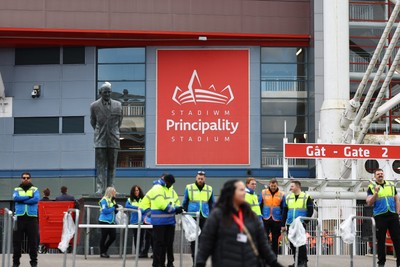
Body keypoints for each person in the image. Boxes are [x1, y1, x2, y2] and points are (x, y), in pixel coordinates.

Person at [195, 179, 282, 267]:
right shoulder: (217, 215)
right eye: (241, 190)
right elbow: (206, 244)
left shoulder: (251, 216)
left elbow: (263, 244)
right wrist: (200, 263)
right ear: (231, 192)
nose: (244, 192)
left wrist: (274, 263)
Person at [140, 174, 183, 267]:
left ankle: (165, 263)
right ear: (165, 181)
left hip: (170, 221)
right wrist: (175, 209)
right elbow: (161, 204)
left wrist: (178, 207)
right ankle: (157, 264)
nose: (171, 185)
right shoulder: (157, 188)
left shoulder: (170, 189)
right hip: (159, 222)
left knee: (167, 244)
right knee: (159, 244)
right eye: (170, 183)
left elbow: (175, 202)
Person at [90, 82, 123, 194]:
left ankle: (111, 188)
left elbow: (119, 122)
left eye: (109, 92)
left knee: (112, 165)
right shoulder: (94, 106)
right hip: (100, 139)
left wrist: (113, 131)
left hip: (113, 138)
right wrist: (101, 131)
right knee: (100, 165)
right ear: (100, 93)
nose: (107, 94)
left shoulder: (118, 105)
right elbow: (93, 122)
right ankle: (100, 188)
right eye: (105, 92)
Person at [366, 168, 400, 267]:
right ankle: (381, 263)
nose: (380, 175)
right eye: (378, 174)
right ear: (374, 176)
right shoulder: (371, 187)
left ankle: (399, 262)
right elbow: (369, 202)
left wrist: (397, 213)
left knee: (397, 239)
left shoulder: (391, 185)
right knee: (381, 240)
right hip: (380, 216)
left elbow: (396, 199)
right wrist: (376, 193)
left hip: (392, 215)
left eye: (381, 173)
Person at [182, 170, 215, 263]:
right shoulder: (189, 187)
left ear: (204, 179)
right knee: (194, 239)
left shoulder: (209, 188)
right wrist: (183, 215)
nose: (200, 180)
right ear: (196, 178)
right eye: (199, 178)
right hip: (192, 217)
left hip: (204, 217)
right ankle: (194, 261)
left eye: (202, 178)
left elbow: (212, 203)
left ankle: (200, 261)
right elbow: (185, 201)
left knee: (203, 240)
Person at [281, 180, 313, 267]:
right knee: (292, 243)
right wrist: (282, 224)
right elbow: (284, 212)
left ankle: (303, 262)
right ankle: (297, 262)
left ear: (298, 186)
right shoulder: (288, 197)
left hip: (300, 224)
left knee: (301, 243)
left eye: (292, 186)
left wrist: (305, 222)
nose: (290, 188)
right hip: (290, 224)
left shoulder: (306, 197)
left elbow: (310, 211)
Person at [12, 172, 40, 267]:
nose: (26, 179)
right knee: (17, 242)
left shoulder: (35, 189)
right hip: (19, 218)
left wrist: (22, 200)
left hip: (32, 219)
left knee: (33, 242)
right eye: (24, 178)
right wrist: (28, 197)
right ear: (21, 179)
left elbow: (35, 200)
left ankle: (33, 263)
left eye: (28, 178)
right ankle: (16, 263)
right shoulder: (17, 189)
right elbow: (16, 198)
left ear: (30, 179)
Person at [259, 178, 285, 256]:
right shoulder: (263, 192)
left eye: (274, 186)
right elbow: (260, 205)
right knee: (265, 238)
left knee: (275, 239)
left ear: (277, 185)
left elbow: (284, 208)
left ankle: (274, 257)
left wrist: (282, 222)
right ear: (269, 185)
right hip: (265, 218)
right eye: (272, 185)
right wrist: (260, 218)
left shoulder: (281, 194)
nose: (273, 187)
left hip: (276, 219)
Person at [125, 185, 151, 258]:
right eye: (135, 190)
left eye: (137, 190)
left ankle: (144, 252)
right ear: (132, 192)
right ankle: (138, 252)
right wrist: (137, 208)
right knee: (137, 237)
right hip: (134, 221)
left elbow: (146, 207)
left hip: (143, 220)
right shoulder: (130, 199)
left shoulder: (143, 198)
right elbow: (127, 206)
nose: (136, 192)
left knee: (144, 236)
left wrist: (141, 209)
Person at [98, 186, 119, 258]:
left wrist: (116, 209)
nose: (115, 193)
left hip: (111, 221)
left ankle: (104, 250)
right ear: (110, 192)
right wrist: (113, 208)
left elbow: (114, 211)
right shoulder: (104, 200)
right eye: (114, 192)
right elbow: (105, 211)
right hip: (104, 221)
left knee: (113, 237)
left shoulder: (113, 200)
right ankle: (102, 252)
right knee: (104, 237)